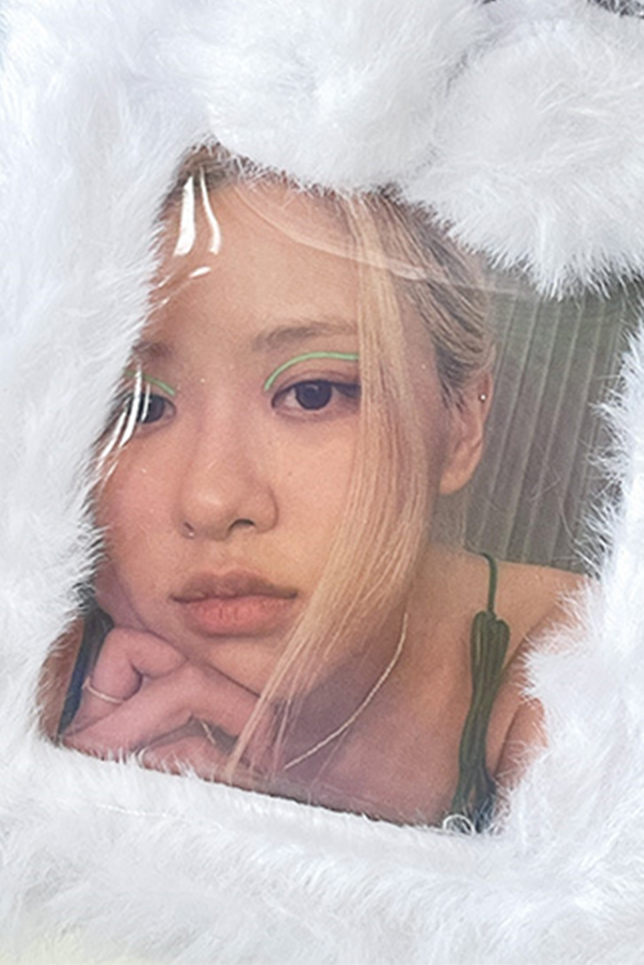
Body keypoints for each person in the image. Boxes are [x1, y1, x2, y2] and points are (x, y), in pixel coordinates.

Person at [42, 151, 585, 828]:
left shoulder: (585, 674)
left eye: (313, 393)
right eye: (142, 408)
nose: (214, 501)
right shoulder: (28, 662)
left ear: (461, 422)